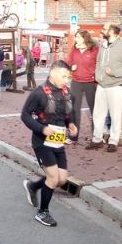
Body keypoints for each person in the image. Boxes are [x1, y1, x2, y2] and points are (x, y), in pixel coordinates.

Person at [21, 61, 77, 227]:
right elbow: (25, 115)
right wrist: (42, 129)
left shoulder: (67, 93)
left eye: (68, 77)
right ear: (52, 74)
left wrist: (71, 125)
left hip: (58, 142)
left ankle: (33, 186)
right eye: (63, 76)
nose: (66, 80)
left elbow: (69, 114)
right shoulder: (39, 93)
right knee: (53, 177)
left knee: (61, 180)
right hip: (42, 142)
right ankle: (42, 212)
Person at [86, 24, 122, 152]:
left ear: (113, 32)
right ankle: (97, 139)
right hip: (102, 84)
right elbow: (98, 62)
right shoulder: (103, 45)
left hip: (117, 85)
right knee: (98, 114)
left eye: (105, 29)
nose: (102, 30)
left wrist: (115, 73)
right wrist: (98, 75)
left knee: (115, 115)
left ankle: (113, 141)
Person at [67, 30, 99, 143]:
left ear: (85, 38)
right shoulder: (74, 50)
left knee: (94, 109)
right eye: (76, 37)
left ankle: (96, 136)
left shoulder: (94, 50)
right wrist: (71, 67)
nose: (76, 39)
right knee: (75, 110)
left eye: (79, 37)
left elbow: (99, 64)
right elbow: (69, 62)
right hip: (76, 82)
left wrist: (95, 75)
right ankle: (73, 136)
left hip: (90, 82)